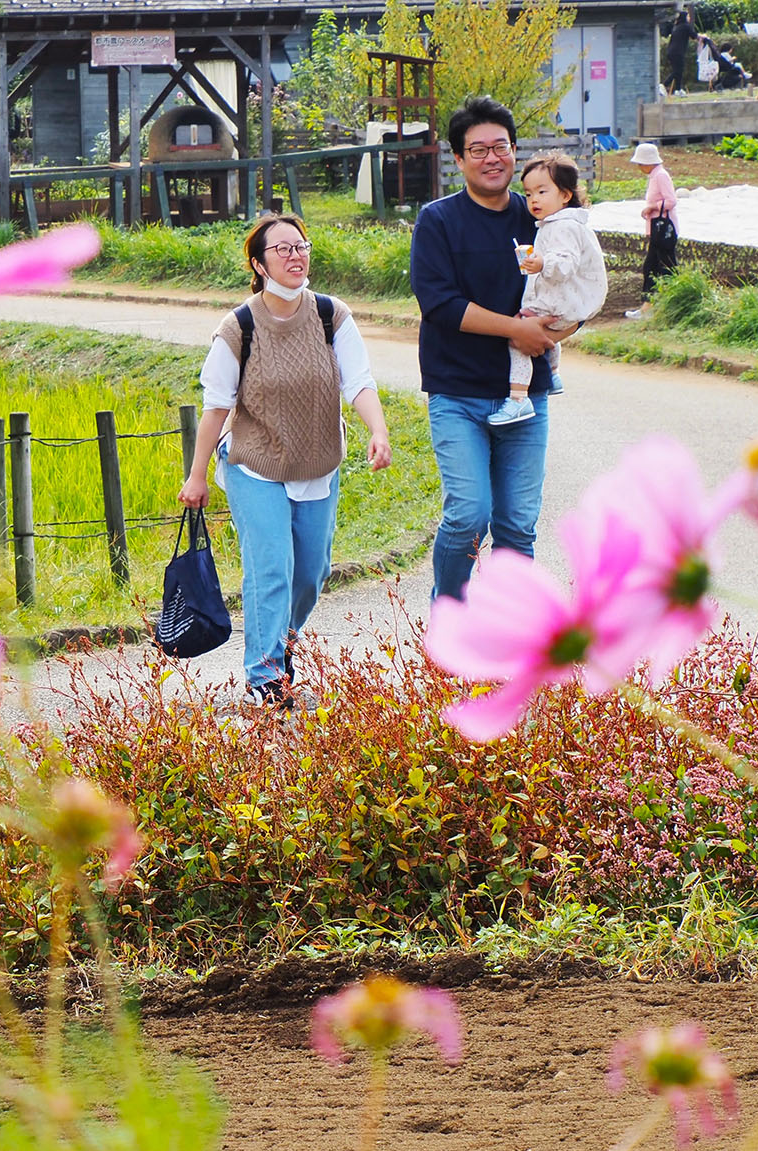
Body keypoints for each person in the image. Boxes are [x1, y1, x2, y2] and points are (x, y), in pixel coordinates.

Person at [178, 214, 392, 708]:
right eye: (283, 249)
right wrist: (196, 475)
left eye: (302, 246)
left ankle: (280, 642)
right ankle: (264, 677)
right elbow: (215, 406)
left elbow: (358, 380)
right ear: (259, 262)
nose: (296, 256)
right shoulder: (240, 326)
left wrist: (377, 430)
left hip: (319, 461)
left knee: (311, 572)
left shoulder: (330, 315)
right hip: (256, 464)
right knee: (271, 567)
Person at [409, 95, 577, 604]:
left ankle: (508, 635)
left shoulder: (542, 220)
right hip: (458, 394)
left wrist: (559, 328)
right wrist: (514, 330)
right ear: (457, 159)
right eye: (477, 149)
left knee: (517, 527)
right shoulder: (438, 221)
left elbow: (576, 281)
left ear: (514, 151)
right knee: (468, 515)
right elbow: (439, 302)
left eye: (499, 147)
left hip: (528, 398)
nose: (491, 158)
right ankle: (451, 616)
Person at [491, 154, 608, 427]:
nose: (534, 200)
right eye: (529, 193)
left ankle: (518, 399)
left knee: (518, 337)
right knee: (546, 335)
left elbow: (565, 264)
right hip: (573, 302)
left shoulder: (562, 227)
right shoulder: (563, 223)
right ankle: (553, 373)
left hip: (562, 302)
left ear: (565, 195)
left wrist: (543, 262)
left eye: (542, 192)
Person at [626, 141, 678, 319]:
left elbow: (671, 200)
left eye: (641, 163)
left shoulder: (661, 176)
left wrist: (652, 208)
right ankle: (651, 308)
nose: (639, 167)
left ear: (648, 162)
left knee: (660, 268)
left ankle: (653, 308)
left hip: (664, 230)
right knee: (655, 268)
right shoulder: (655, 176)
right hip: (658, 230)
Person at [664, 10, 696, 96]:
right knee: (678, 71)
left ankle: (678, 89)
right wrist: (703, 37)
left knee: (678, 71)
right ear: (685, 17)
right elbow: (694, 36)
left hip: (671, 52)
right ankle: (664, 85)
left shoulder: (676, 27)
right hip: (678, 52)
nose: (689, 18)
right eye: (688, 16)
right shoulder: (686, 26)